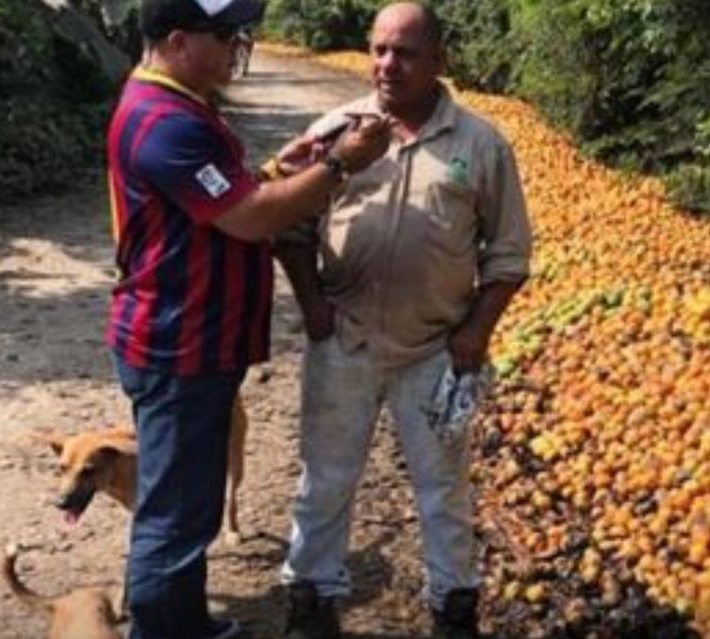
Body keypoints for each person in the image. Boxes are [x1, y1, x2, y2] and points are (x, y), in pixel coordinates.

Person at [104, 1, 392, 638]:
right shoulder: (165, 122)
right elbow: (253, 217)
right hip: (181, 341)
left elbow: (221, 198)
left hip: (190, 338)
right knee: (176, 514)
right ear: (179, 41)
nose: (240, 44)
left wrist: (274, 170)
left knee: (186, 502)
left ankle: (179, 619)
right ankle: (162, 630)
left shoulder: (180, 104)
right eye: (226, 33)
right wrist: (340, 164)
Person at [273, 3, 533, 638]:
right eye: (380, 49)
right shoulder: (337, 131)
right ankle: (312, 596)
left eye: (406, 52)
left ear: (439, 61)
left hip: (435, 350)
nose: (389, 64)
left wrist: (475, 333)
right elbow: (290, 225)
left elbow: (508, 254)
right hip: (346, 341)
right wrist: (312, 307)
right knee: (325, 480)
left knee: (442, 488)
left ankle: (453, 604)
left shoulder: (480, 143)